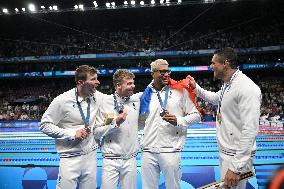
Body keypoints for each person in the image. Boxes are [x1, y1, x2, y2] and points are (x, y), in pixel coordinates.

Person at [187, 47, 262, 189]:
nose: (211, 66)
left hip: (236, 157)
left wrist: (235, 167)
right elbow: (216, 98)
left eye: (213, 62)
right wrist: (196, 88)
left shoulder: (246, 88)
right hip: (228, 152)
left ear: (225, 63)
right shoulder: (229, 84)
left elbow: (250, 130)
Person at [139, 59, 201, 189]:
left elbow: (197, 115)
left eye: (168, 71)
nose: (166, 74)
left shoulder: (180, 91)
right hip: (148, 150)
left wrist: (179, 120)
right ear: (153, 73)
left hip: (171, 150)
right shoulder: (145, 95)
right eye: (162, 72)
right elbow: (141, 122)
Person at [40, 65, 102, 189]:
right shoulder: (62, 101)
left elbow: (116, 99)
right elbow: (45, 125)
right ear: (81, 82)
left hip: (91, 155)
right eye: (94, 79)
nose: (98, 82)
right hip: (70, 157)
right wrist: (72, 133)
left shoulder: (97, 97)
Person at [94, 69, 141, 189]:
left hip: (131, 160)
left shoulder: (137, 101)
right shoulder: (106, 103)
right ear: (118, 85)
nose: (133, 86)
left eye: (133, 83)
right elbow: (97, 132)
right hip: (111, 160)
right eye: (129, 83)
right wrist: (115, 123)